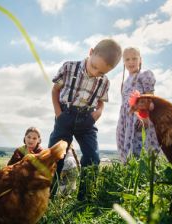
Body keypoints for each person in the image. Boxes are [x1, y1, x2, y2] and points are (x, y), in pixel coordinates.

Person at [48, 39, 122, 200]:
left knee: (92, 157)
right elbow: (55, 90)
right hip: (65, 116)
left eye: (102, 72)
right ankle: (48, 198)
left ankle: (84, 198)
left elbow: (101, 101)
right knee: (54, 157)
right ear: (91, 52)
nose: (96, 73)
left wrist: (99, 112)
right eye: (94, 67)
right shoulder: (69, 67)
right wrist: (59, 114)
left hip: (87, 120)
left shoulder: (104, 82)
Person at [116, 47, 160, 163]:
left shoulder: (144, 75)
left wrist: (144, 117)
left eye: (134, 58)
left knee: (141, 146)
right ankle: (129, 170)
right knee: (127, 148)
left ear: (140, 60)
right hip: (126, 120)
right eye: (127, 59)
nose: (131, 62)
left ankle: (146, 174)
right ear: (123, 62)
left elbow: (150, 97)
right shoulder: (125, 83)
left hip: (140, 117)